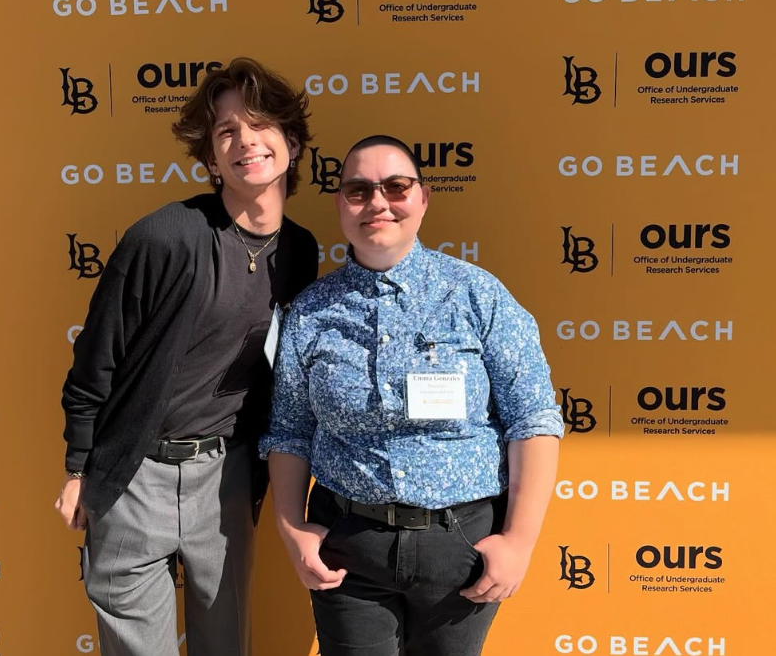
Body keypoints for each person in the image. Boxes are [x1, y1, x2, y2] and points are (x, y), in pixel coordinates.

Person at [54, 57, 319, 656]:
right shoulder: (164, 237)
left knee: (225, 644)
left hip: (226, 476)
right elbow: (96, 360)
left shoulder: (301, 250)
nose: (245, 142)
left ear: (292, 142)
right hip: (133, 475)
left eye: (259, 126)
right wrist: (78, 467)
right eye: (227, 132)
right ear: (210, 159)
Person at [261, 135, 563, 656]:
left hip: (461, 548)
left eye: (396, 187)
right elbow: (289, 430)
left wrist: (519, 542)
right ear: (341, 206)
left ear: (422, 199)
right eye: (358, 191)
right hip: (349, 550)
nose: (377, 202)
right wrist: (292, 529)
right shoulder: (310, 312)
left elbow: (532, 419)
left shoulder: (478, 295)